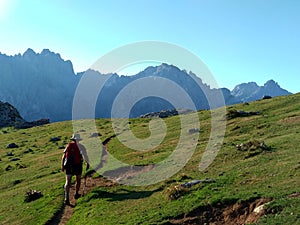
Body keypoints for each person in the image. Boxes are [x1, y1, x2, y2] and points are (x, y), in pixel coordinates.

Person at [61, 133, 89, 205]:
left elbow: (63, 156)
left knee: (68, 181)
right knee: (78, 179)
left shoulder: (68, 146)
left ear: (73, 140)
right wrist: (87, 163)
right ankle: (76, 193)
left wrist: (62, 166)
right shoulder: (81, 146)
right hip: (78, 165)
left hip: (69, 165)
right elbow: (85, 156)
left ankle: (66, 197)